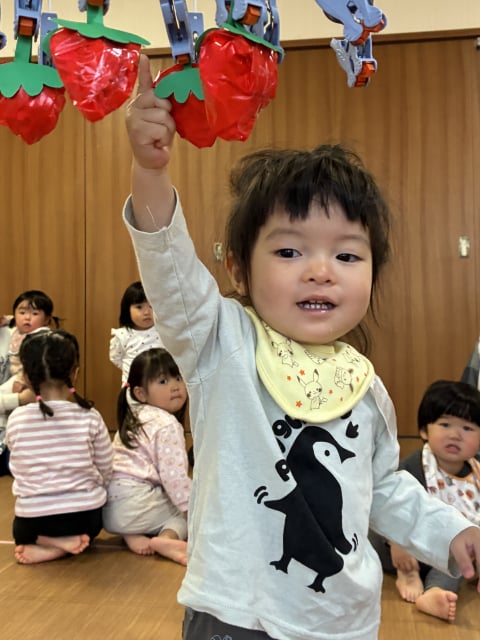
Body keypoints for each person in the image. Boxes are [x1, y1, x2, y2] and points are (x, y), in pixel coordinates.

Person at [120, 54, 480, 640]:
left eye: (347, 254)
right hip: (236, 613)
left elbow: (383, 489)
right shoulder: (221, 342)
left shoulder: (364, 384)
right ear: (239, 267)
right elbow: (169, 266)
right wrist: (150, 171)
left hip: (343, 620)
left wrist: (453, 531)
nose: (320, 271)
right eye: (289, 251)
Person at [371, 380, 480, 623]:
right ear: (424, 431)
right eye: (445, 424)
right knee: (374, 532)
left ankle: (434, 593)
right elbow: (393, 504)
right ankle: (407, 574)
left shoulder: (476, 472)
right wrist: (398, 543)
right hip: (402, 549)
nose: (455, 434)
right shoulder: (414, 466)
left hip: (445, 555)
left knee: (456, 567)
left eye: (468, 428)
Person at [6, 329, 113, 564]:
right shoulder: (90, 416)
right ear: (75, 374)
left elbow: (18, 465)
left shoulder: (17, 418)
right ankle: (63, 544)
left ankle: (48, 543)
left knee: (21, 533)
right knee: (94, 521)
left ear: (25, 376)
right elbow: (106, 468)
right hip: (85, 518)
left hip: (31, 521)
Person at [103, 347, 190, 565]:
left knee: (159, 497)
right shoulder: (166, 424)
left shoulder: (133, 419)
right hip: (136, 505)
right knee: (184, 515)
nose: (175, 386)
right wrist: (194, 511)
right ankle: (167, 539)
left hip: (109, 511)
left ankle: (131, 533)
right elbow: (175, 480)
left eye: (178, 378)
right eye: (163, 381)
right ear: (140, 394)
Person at [110, 280, 164, 385]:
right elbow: (115, 358)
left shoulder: (163, 331)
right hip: (132, 385)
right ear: (127, 309)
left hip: (159, 385)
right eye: (139, 307)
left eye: (151, 306)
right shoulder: (122, 335)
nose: (147, 312)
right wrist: (130, 368)